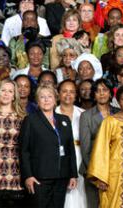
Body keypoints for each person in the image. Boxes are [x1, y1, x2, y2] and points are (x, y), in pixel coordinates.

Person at [87, 85, 123, 208]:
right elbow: (101, 149)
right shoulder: (110, 121)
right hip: (115, 175)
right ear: (118, 101)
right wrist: (101, 177)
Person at [19, 85, 78, 208]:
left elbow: (70, 149)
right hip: (39, 177)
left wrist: (73, 174)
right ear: (37, 101)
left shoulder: (64, 120)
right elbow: (24, 151)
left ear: (55, 99)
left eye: (49, 96)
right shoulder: (30, 120)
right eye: (42, 97)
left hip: (61, 177)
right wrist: (28, 176)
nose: (46, 100)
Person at [79, 79, 119, 208]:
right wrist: (97, 177)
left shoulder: (119, 113)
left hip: (116, 171)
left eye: (105, 90)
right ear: (94, 95)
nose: (102, 94)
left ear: (110, 93)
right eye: (98, 91)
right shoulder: (86, 116)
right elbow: (85, 149)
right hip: (93, 171)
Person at [0, 80, 27, 208]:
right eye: (3, 90)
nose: (6, 94)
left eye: (10, 91)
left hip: (16, 173)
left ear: (14, 96)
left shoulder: (22, 118)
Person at [55, 80, 87, 208]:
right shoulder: (52, 113)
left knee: (81, 191)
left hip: (80, 155)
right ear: (58, 94)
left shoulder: (83, 113)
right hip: (59, 156)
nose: (68, 94)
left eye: (72, 92)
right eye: (64, 91)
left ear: (76, 95)